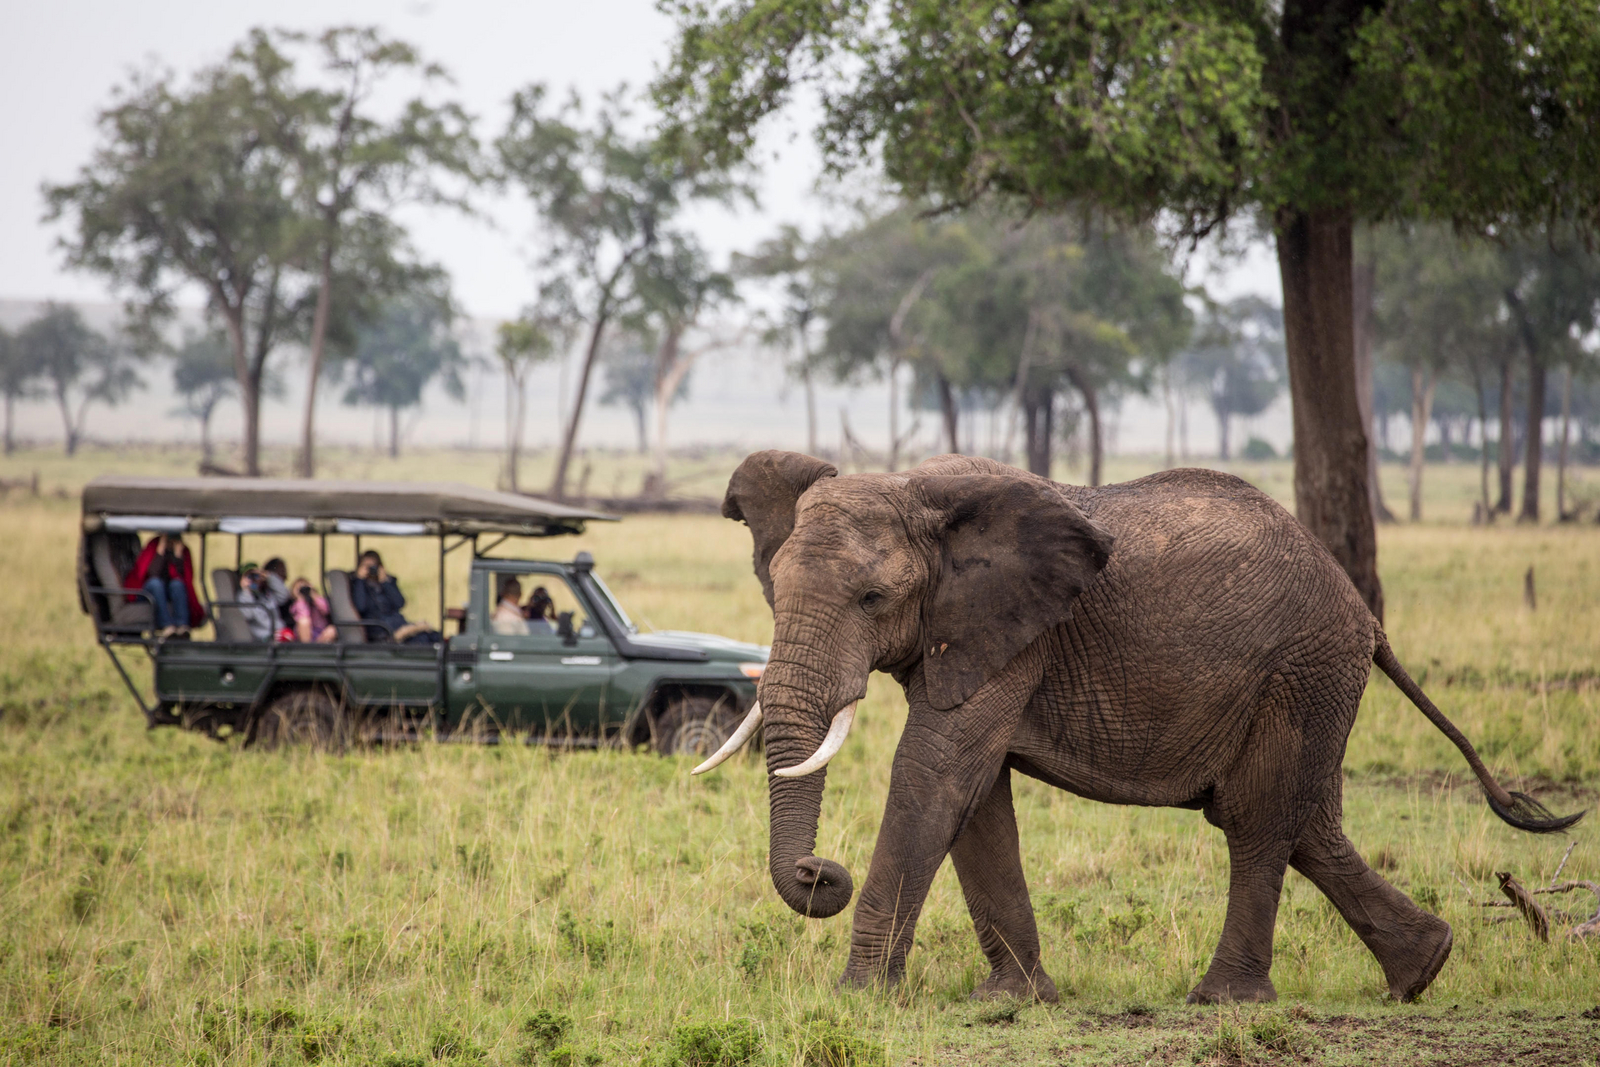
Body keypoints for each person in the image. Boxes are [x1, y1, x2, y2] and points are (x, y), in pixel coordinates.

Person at [125, 532, 206, 637]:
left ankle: (182, 626)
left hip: (168, 593)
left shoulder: (183, 551)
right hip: (147, 593)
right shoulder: (153, 546)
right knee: (156, 583)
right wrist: (161, 550)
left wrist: (177, 557)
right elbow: (151, 574)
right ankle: (167, 626)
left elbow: (185, 579)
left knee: (177, 584)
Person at [349, 549, 439, 644]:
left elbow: (400, 603)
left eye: (374, 566)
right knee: (421, 640)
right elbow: (360, 606)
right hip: (381, 628)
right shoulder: (357, 585)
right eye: (367, 566)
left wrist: (386, 582)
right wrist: (360, 580)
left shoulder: (386, 583)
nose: (371, 570)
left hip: (398, 624)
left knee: (434, 636)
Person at [236, 563, 278, 642]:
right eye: (249, 576)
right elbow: (247, 614)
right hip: (262, 636)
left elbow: (283, 596)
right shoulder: (243, 597)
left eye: (255, 575)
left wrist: (268, 576)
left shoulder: (266, 594)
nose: (253, 579)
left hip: (277, 630)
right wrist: (246, 591)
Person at [288, 577, 338, 643]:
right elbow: (303, 614)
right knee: (304, 621)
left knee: (332, 629)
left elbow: (326, 609)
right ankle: (307, 648)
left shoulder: (316, 599)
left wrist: (313, 595)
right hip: (305, 632)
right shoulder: (296, 605)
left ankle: (316, 647)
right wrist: (301, 599)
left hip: (321, 631)